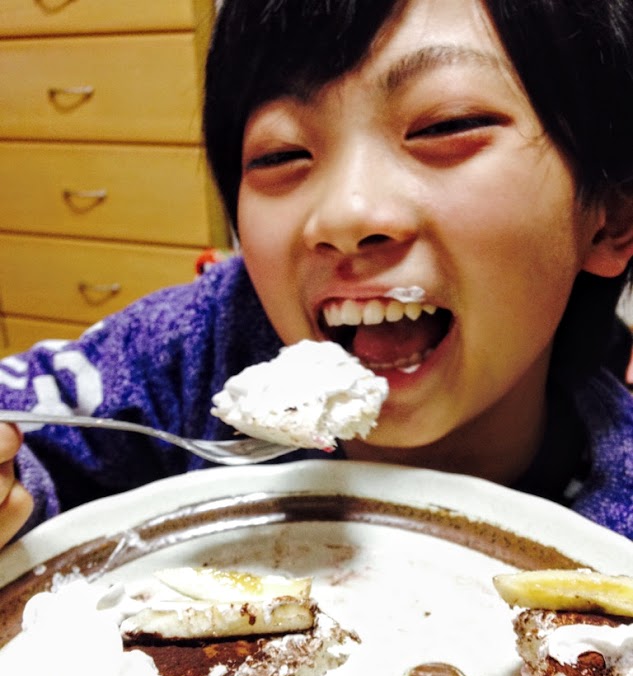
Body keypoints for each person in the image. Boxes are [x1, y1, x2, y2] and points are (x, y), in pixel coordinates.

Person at [1, 0, 632, 546]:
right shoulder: (195, 349)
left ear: (611, 220)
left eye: (447, 125)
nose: (346, 214)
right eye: (282, 154)